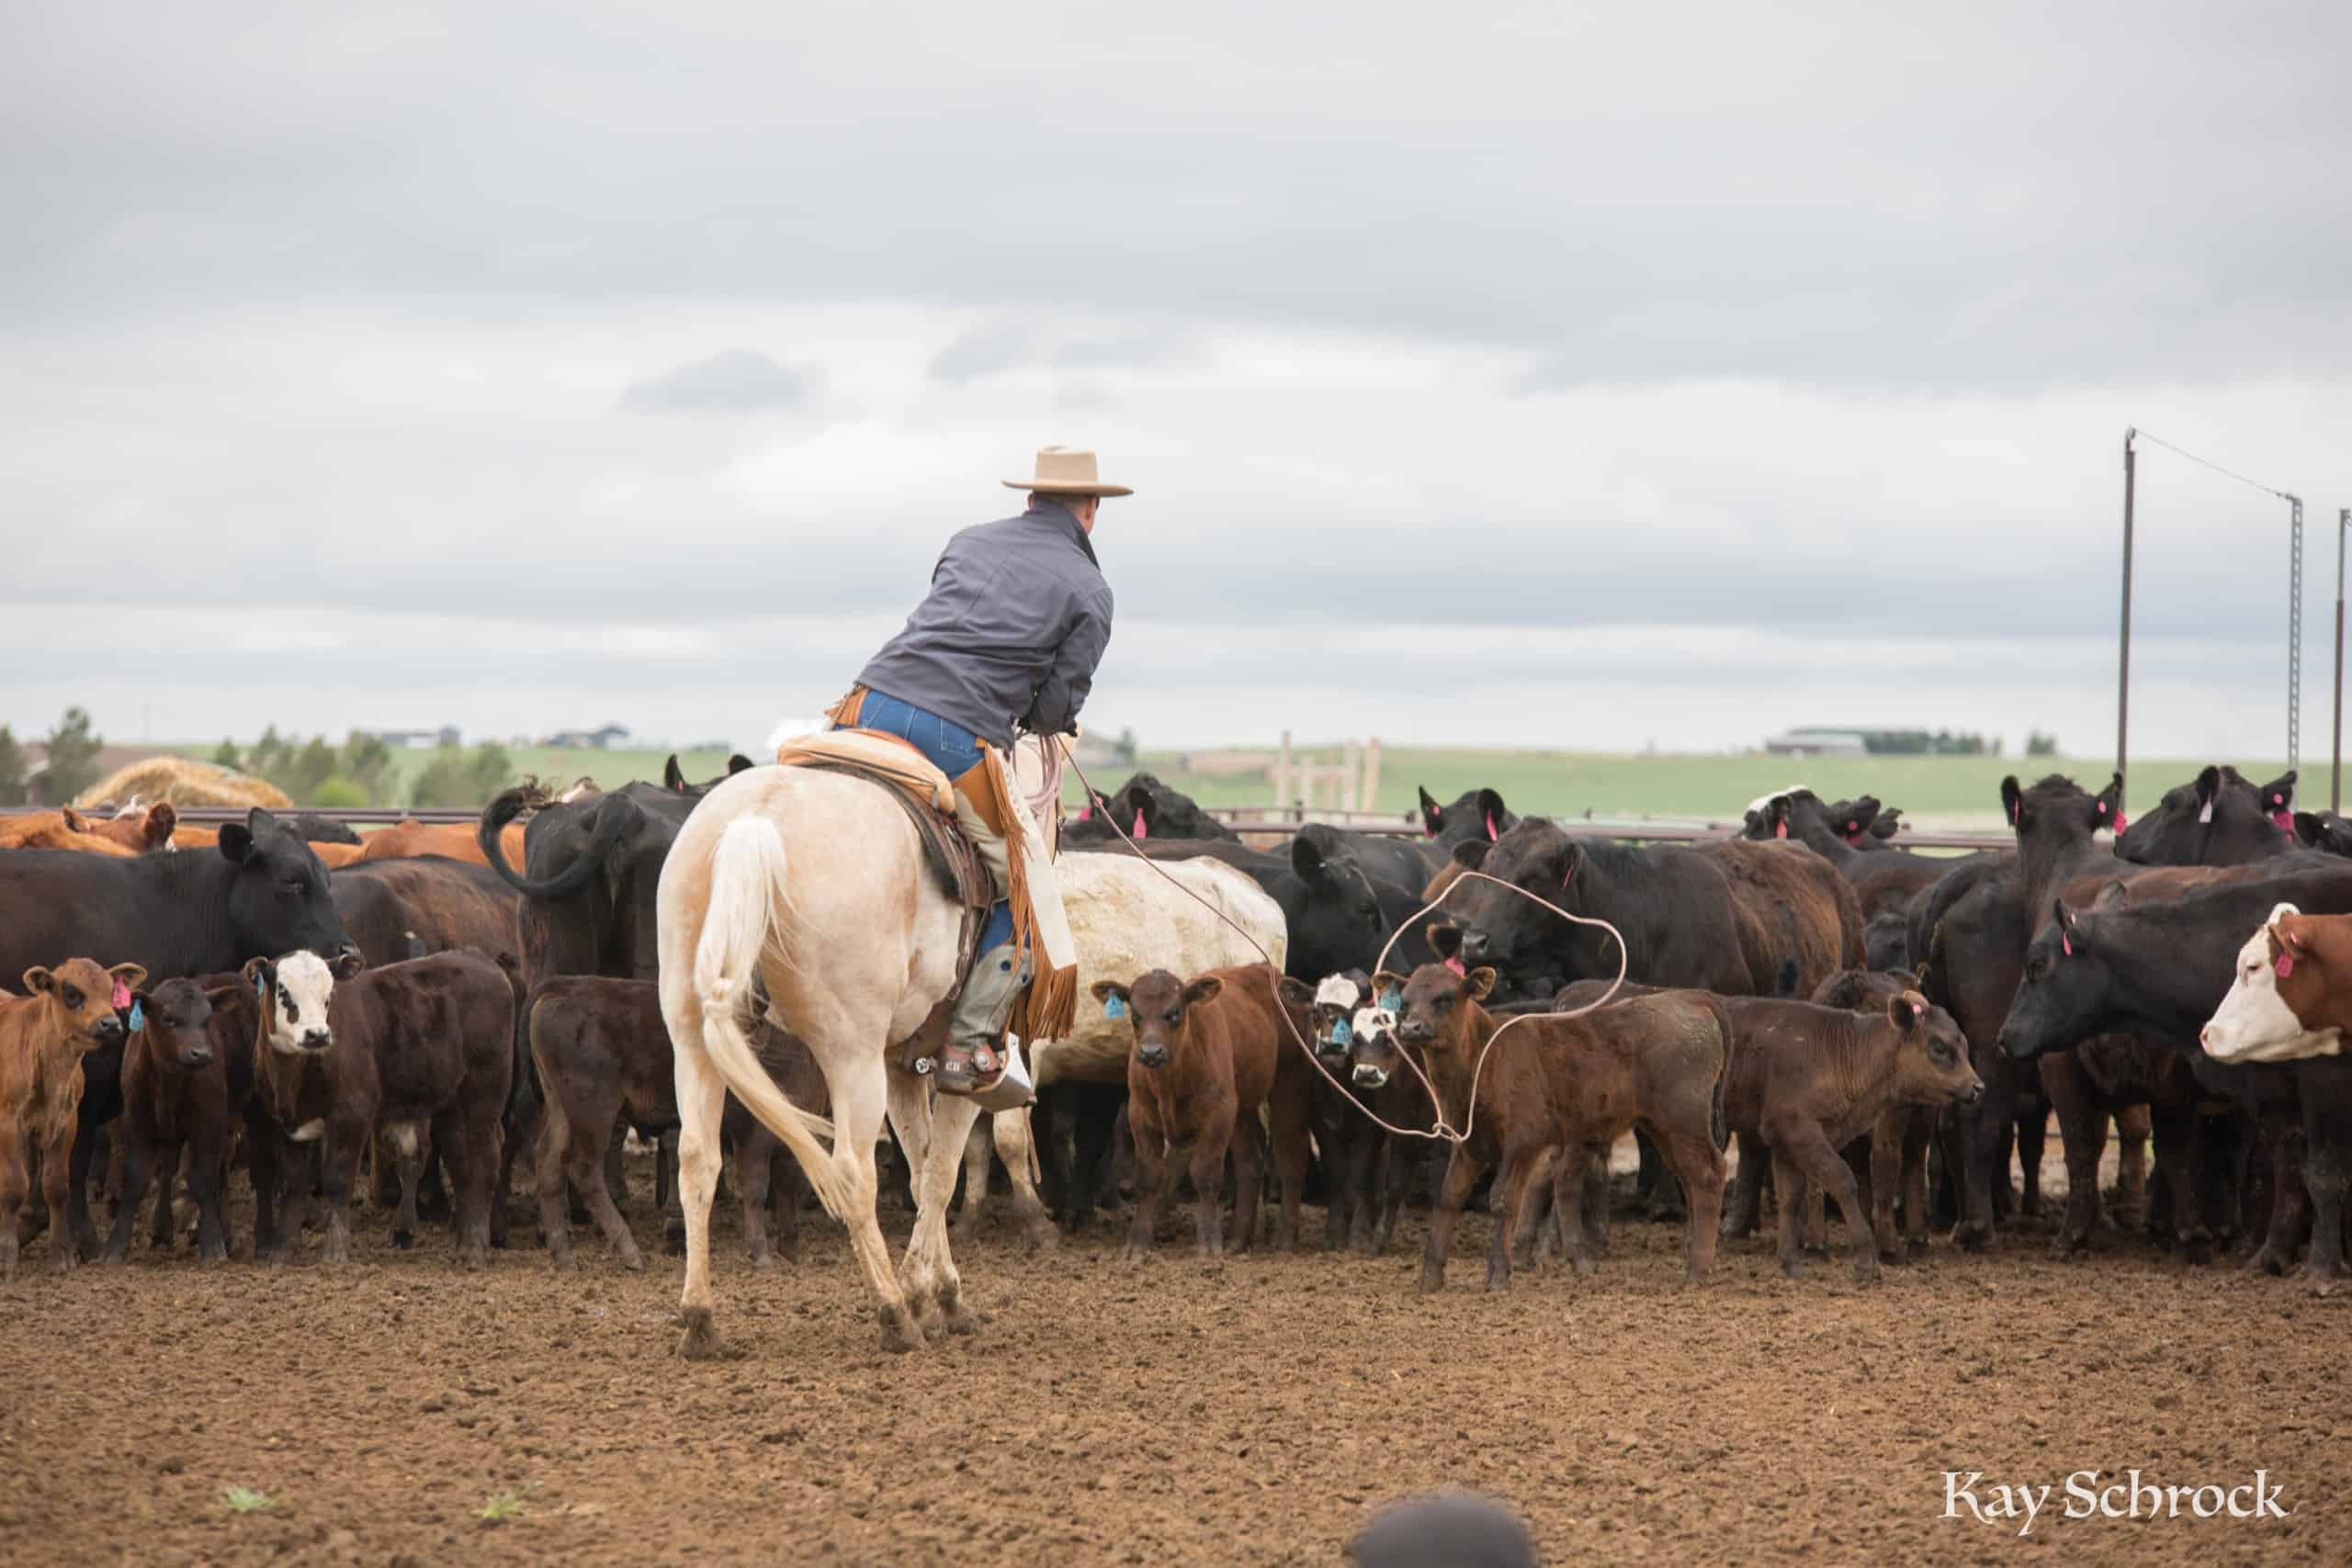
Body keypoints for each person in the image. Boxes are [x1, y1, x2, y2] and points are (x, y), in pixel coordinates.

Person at [829, 446, 1123, 1096]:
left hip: (863, 703)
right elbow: (1054, 707)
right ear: (1092, 511)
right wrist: (1042, 715)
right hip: (953, 733)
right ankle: (966, 1044)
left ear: (1029, 500)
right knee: (1023, 886)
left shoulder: (966, 540)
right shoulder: (1091, 591)